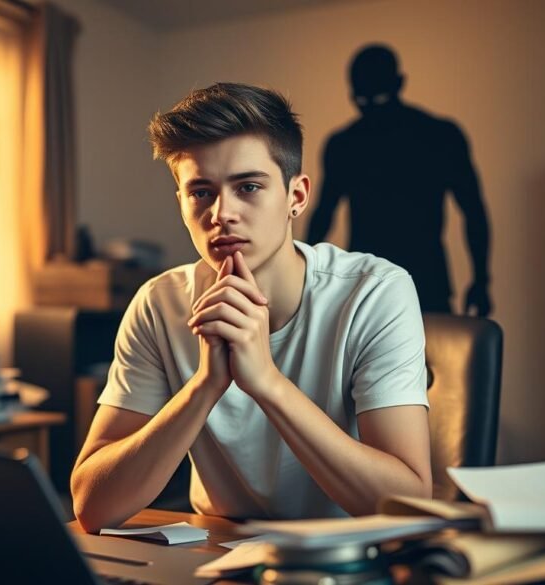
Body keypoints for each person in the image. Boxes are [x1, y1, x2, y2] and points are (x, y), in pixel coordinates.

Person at [71, 83, 431, 531]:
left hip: (348, 558)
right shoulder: (159, 304)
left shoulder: (375, 292)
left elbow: (409, 504)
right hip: (216, 552)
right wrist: (204, 386)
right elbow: (92, 505)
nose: (222, 213)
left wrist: (266, 383)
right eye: (201, 192)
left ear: (296, 197)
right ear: (181, 202)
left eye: (248, 187)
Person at [307, 44, 492, 316]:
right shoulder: (344, 145)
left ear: (399, 84)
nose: (370, 109)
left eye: (379, 98)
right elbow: (323, 214)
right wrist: (306, 280)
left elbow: (474, 212)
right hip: (367, 286)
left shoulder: (440, 136)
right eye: (360, 100)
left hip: (423, 286)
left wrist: (481, 281)